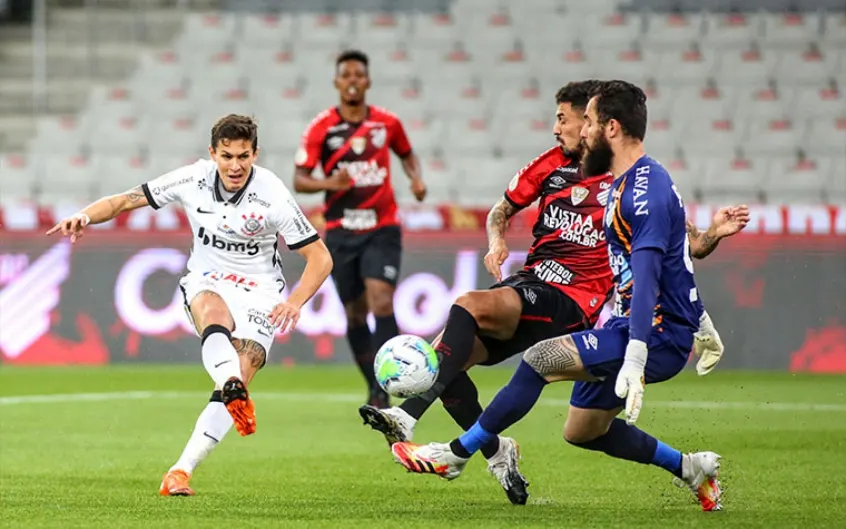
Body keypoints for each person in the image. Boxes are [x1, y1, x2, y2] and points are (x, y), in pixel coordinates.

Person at [391, 81, 747, 512]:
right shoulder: (627, 180)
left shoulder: (643, 193)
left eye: (590, 123)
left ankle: (456, 453)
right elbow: (677, 260)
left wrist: (637, 357)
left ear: (610, 129)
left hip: (653, 334)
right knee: (582, 430)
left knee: (539, 359)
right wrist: (704, 323)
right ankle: (690, 468)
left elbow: (652, 276)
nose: (582, 132)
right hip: (634, 324)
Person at [46, 114, 333, 497]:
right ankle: (229, 382)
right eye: (227, 156)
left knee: (243, 369)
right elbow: (123, 201)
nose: (235, 166)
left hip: (262, 290)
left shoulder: (273, 194)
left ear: (255, 154)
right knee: (213, 315)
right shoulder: (191, 179)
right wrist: (84, 215)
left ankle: (180, 470)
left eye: (243, 156)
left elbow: (321, 258)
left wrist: (295, 302)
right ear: (212, 153)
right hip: (207, 279)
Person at [293, 49, 426, 409]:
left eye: (359, 74)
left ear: (368, 81)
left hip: (382, 227)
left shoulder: (387, 124)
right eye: (346, 75)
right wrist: (332, 183)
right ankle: (375, 388)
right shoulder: (322, 127)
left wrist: (416, 178)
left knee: (381, 299)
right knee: (354, 313)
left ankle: (401, 379)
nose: (353, 80)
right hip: (340, 231)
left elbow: (407, 153)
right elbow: (300, 180)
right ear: (337, 82)